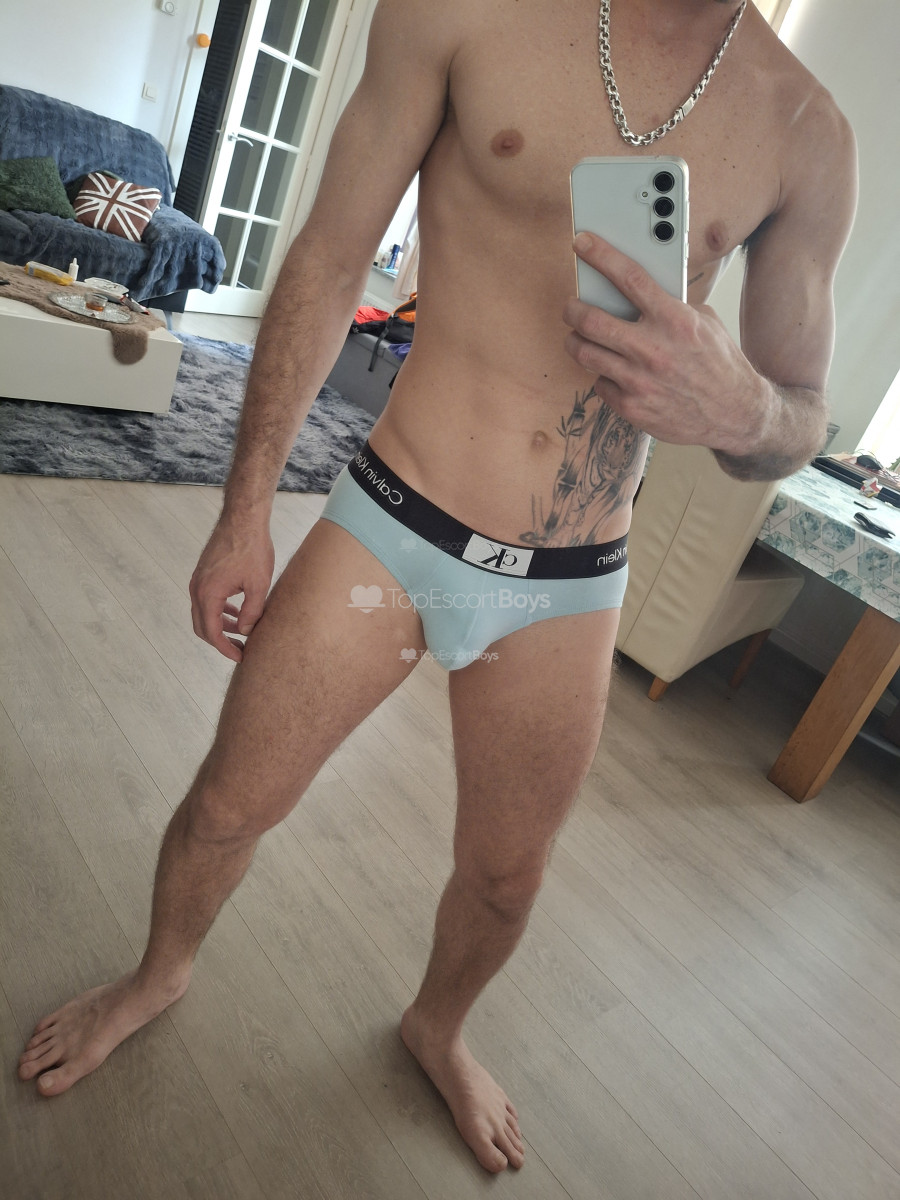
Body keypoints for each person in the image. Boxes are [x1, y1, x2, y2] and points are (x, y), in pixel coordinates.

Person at [18, 0, 856, 1175]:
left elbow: (801, 418)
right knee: (228, 806)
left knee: (505, 881)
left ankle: (437, 1027)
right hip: (395, 524)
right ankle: (160, 974)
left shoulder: (806, 128)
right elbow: (330, 257)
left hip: (569, 579)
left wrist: (749, 408)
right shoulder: (466, 10)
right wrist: (245, 509)